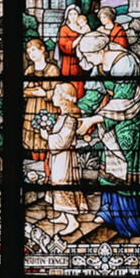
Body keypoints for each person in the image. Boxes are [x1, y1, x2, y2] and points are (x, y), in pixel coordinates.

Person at [76, 30, 140, 238]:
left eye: (88, 55)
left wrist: (92, 120)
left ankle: (130, 219)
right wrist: (78, 112)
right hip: (110, 119)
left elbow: (124, 99)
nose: (87, 60)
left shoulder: (125, 63)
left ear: (101, 49)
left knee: (125, 167)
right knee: (109, 166)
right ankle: (108, 212)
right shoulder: (100, 65)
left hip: (130, 120)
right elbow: (94, 93)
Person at [43, 82, 88, 236]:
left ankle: (72, 220)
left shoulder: (70, 119)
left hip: (65, 159)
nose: (53, 97)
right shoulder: (63, 116)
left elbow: (62, 141)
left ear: (63, 99)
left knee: (63, 184)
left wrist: (47, 137)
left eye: (56, 94)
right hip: (58, 158)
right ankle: (63, 215)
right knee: (57, 183)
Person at [22, 37, 59, 161]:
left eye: (33, 50)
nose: (31, 54)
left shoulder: (53, 70)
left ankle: (45, 168)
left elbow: (58, 91)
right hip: (31, 107)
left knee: (45, 138)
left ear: (42, 49)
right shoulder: (29, 70)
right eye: (29, 52)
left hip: (47, 108)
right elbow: (23, 91)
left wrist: (44, 94)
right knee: (32, 139)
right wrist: (36, 93)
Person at [54, 5, 90, 99]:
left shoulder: (83, 28)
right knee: (68, 87)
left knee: (80, 85)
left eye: (75, 14)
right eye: (70, 14)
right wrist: (80, 37)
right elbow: (64, 46)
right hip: (68, 62)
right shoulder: (64, 29)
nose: (73, 16)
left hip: (80, 62)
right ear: (67, 16)